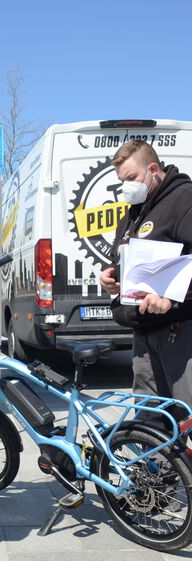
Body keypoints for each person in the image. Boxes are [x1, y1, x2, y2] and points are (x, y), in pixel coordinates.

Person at [100, 139, 192, 436]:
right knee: (150, 419)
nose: (126, 186)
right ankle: (159, 482)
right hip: (142, 330)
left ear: (153, 169)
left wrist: (173, 297)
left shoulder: (184, 200)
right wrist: (111, 277)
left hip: (179, 330)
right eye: (121, 181)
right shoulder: (133, 210)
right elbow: (121, 257)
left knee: (186, 415)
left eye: (131, 178)